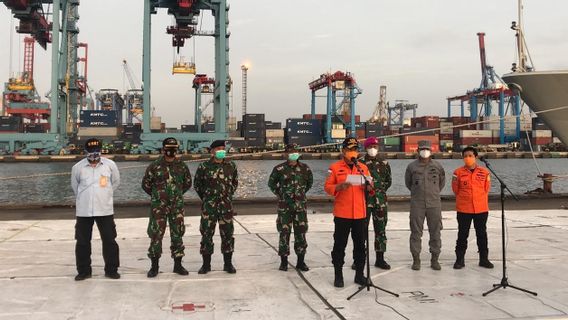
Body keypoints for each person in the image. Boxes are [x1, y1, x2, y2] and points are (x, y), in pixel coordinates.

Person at [71, 138, 120, 281]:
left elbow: (115, 183)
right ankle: (83, 271)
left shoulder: (110, 165)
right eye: (91, 151)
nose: (94, 154)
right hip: (84, 211)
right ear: (86, 151)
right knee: (82, 242)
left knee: (110, 240)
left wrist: (105, 195)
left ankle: (111, 270)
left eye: (96, 151)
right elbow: (75, 187)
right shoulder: (77, 168)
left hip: (104, 209)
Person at [142, 137, 192, 277]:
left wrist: (175, 195)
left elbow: (187, 183)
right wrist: (159, 196)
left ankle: (178, 265)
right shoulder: (154, 166)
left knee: (177, 235)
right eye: (168, 149)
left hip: (176, 207)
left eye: (173, 149)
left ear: (177, 150)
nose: (171, 152)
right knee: (156, 235)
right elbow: (146, 184)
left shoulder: (182, 166)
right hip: (159, 207)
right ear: (163, 149)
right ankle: (154, 266)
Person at [325, 137, 371, 287]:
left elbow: (371, 187)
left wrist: (369, 187)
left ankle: (359, 274)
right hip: (342, 214)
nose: (353, 153)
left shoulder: (363, 168)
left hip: (360, 213)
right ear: (343, 151)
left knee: (360, 245)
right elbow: (327, 187)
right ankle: (338, 275)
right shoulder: (335, 167)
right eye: (350, 150)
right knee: (339, 245)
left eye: (355, 150)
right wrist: (338, 187)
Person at [194, 140, 239, 274]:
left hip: (226, 206)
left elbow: (234, 183)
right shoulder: (204, 166)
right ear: (212, 151)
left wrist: (227, 195)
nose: (221, 150)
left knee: (228, 235)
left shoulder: (231, 165)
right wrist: (208, 198)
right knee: (207, 234)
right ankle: (206, 265)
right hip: (209, 206)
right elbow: (197, 185)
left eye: (223, 148)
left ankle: (228, 264)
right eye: (218, 148)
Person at [268, 143, 313, 271]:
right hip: (285, 207)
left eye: (295, 151)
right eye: (290, 152)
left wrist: (300, 195)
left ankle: (301, 261)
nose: (293, 154)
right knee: (284, 233)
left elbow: (309, 183)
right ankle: (284, 262)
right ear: (285, 154)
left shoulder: (305, 168)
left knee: (301, 233)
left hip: (300, 207)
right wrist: (281, 194)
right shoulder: (279, 169)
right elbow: (271, 184)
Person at [404, 140, 446, 271]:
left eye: (427, 149)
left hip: (434, 203)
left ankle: (435, 259)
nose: (424, 151)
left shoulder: (438, 166)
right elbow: (408, 183)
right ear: (417, 151)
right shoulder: (411, 167)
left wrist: (432, 194)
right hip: (417, 203)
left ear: (431, 151)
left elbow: (441, 183)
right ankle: (416, 259)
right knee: (416, 232)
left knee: (436, 232)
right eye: (422, 149)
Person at [451, 146, 494, 269]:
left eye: (470, 155)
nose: (467, 158)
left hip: (481, 208)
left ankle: (484, 259)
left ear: (475, 157)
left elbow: (487, 188)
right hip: (464, 209)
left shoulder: (485, 172)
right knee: (462, 234)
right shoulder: (457, 172)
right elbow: (455, 190)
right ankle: (459, 260)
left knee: (482, 234)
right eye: (465, 156)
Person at [361, 136, 392, 269]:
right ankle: (360, 259)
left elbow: (388, 181)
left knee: (381, 231)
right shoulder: (360, 163)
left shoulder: (384, 163)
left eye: (375, 147)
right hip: (364, 202)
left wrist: (379, 190)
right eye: (370, 147)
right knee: (361, 232)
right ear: (365, 148)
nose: (372, 149)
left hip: (380, 202)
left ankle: (380, 259)